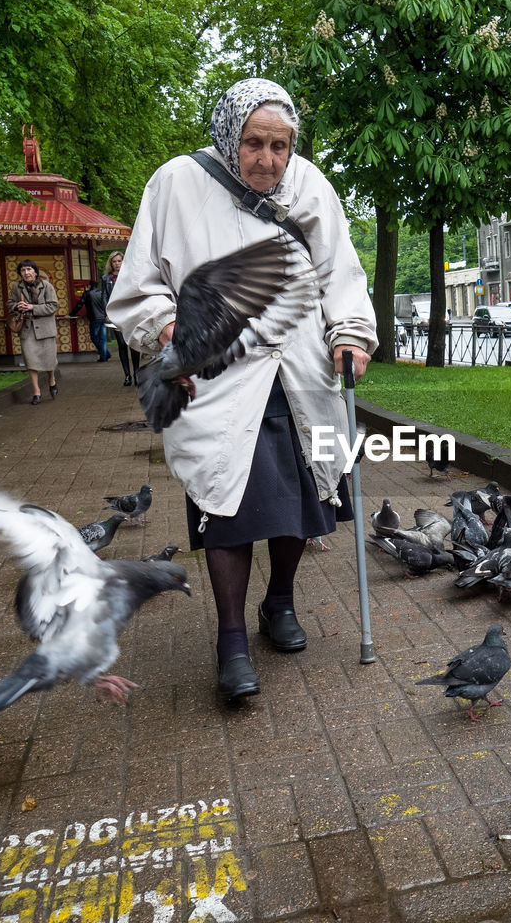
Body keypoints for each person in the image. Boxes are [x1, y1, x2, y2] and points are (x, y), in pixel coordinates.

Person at [108, 78, 378, 702]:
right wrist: (169, 325)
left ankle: (278, 602)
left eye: (280, 145)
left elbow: (341, 269)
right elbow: (142, 280)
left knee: (301, 501)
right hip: (219, 379)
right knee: (225, 508)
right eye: (254, 143)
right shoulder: (175, 182)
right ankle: (231, 638)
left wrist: (352, 335)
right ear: (230, 136)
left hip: (301, 371)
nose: (268, 159)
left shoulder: (310, 185)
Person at [10, 260, 59, 405]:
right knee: (30, 361)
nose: (26, 273)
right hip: (27, 329)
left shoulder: (47, 286)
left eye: (29, 269)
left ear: (35, 272)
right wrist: (17, 306)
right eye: (23, 270)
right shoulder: (16, 287)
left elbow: (53, 306)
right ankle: (36, 392)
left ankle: (52, 380)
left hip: (45, 329)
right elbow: (9, 303)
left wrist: (32, 307)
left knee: (49, 360)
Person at [102, 252, 138, 386]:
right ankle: (127, 375)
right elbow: (104, 297)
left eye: (119, 261)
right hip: (115, 315)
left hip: (130, 314)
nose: (117, 264)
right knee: (122, 345)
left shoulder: (129, 276)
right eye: (114, 261)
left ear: (123, 262)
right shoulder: (106, 278)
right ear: (111, 263)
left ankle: (137, 374)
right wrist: (108, 313)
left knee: (133, 344)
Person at [75, 278, 110, 361]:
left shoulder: (88, 294)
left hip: (95, 319)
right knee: (103, 339)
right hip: (103, 318)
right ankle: (104, 355)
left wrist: (71, 314)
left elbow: (80, 304)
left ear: (89, 286)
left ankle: (105, 354)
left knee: (94, 338)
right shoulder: (101, 293)